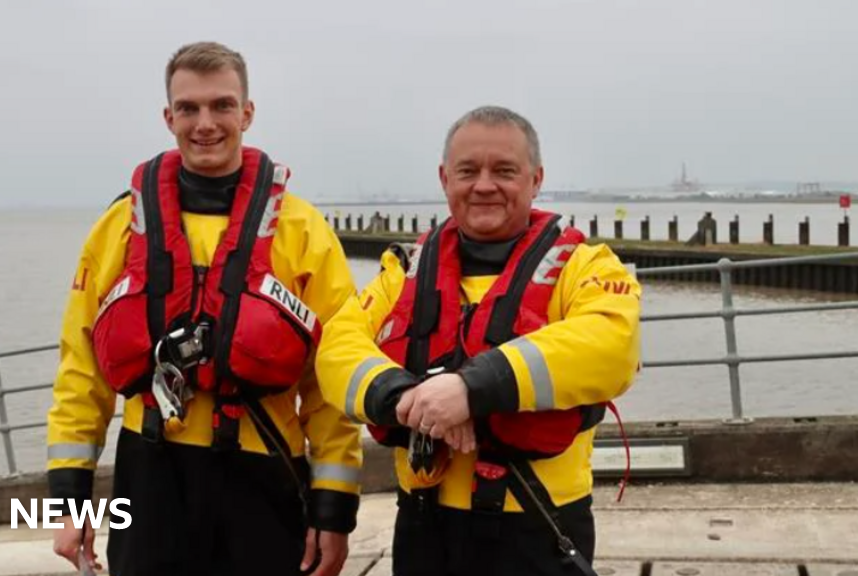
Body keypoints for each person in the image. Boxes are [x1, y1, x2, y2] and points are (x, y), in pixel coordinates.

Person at [46, 41, 363, 576]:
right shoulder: (118, 228)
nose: (205, 123)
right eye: (189, 108)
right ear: (168, 117)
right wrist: (70, 502)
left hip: (263, 474)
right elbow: (81, 371)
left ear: (247, 112)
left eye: (221, 105)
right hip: (149, 478)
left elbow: (331, 379)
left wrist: (333, 510)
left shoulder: (303, 231)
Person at [316, 106, 641, 575]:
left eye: (504, 171)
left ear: (536, 179)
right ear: (445, 179)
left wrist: (471, 389)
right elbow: (338, 347)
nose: (484, 184)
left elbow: (613, 342)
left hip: (537, 525)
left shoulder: (587, 267)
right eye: (468, 171)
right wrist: (409, 398)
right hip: (424, 526)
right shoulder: (403, 273)